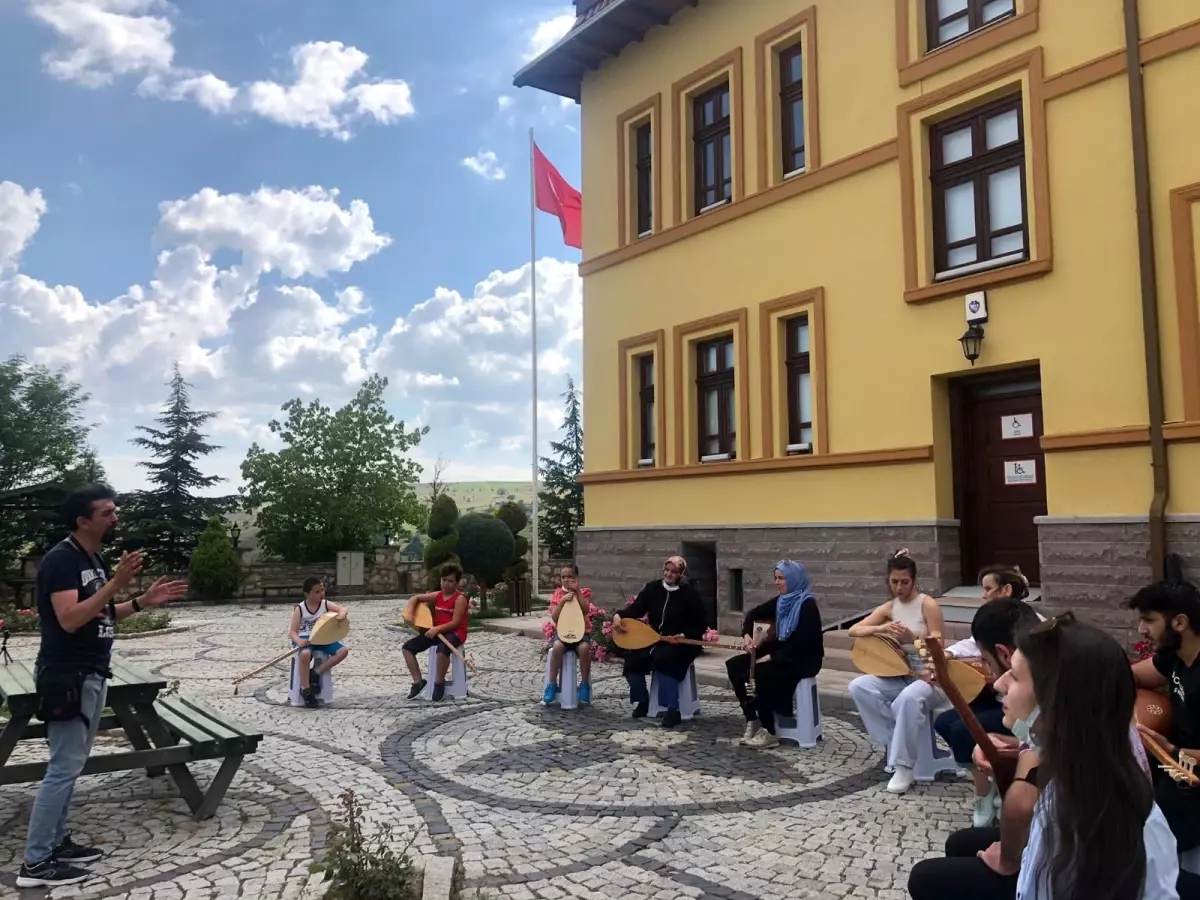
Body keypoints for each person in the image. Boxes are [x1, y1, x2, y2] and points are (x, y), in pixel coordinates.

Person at [911, 613, 1178, 900]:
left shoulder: (1100, 821)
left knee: (927, 878)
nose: (999, 684)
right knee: (960, 844)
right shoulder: (1084, 750)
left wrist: (1010, 860)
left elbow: (1023, 802)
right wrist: (1013, 746)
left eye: (1014, 676)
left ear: (1056, 702)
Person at [17, 484, 187, 889]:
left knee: (70, 765)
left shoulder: (90, 557)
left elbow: (101, 613)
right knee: (63, 768)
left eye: (114, 510)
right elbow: (70, 619)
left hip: (91, 673)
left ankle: (57, 842)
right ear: (83, 520)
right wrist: (115, 582)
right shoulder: (62, 560)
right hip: (68, 677)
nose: (115, 518)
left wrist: (142, 601)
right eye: (107, 513)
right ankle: (35, 864)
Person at [933, 570, 1036, 826]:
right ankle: (989, 784)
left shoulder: (1031, 631)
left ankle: (993, 787)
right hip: (1003, 705)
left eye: (988, 588)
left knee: (963, 731)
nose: (983, 595)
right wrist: (946, 657)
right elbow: (971, 645)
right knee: (945, 722)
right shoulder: (992, 621)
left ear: (1006, 590)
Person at [847, 550, 953, 793]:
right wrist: (881, 628)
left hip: (931, 675)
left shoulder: (927, 604)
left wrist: (913, 637)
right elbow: (854, 630)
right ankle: (894, 741)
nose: (899, 587)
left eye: (904, 582)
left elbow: (938, 643)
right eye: (894, 582)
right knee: (859, 686)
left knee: (907, 698)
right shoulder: (889, 607)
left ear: (914, 580)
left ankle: (902, 765)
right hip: (899, 673)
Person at [1131, 579, 1200, 894]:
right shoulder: (1174, 656)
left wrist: (1170, 749)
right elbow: (1130, 674)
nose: (1141, 630)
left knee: (1142, 840)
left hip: (1190, 774)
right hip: (1174, 763)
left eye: (1148, 620)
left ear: (1180, 622)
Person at [724, 560, 823, 749]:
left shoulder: (807, 606)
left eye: (782, 578)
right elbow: (752, 614)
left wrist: (768, 658)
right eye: (776, 578)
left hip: (802, 659)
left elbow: (800, 644)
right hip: (778, 654)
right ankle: (752, 717)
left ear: (793, 580)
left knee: (758, 674)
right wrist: (746, 636)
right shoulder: (781, 601)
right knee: (735, 665)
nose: (777, 582)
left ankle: (769, 730)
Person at [612, 555, 707, 728]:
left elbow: (700, 624)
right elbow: (635, 610)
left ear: (681, 574)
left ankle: (673, 709)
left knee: (664, 658)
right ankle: (643, 701)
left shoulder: (689, 594)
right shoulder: (652, 588)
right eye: (667, 570)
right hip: (654, 638)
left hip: (683, 642)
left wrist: (684, 635)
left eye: (674, 572)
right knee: (632, 657)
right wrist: (618, 616)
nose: (669, 574)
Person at [401, 564, 468, 702]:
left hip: (455, 633)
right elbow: (415, 598)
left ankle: (439, 682)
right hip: (436, 632)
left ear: (456, 583)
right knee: (407, 648)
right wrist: (410, 613)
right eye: (444, 580)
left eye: (450, 581)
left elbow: (455, 623)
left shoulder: (459, 599)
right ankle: (418, 682)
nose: (446, 584)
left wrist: (436, 629)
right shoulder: (438, 595)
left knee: (442, 650)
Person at [288, 577, 349, 708]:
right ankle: (305, 689)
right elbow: (292, 632)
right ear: (307, 594)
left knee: (343, 651)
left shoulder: (325, 604)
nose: (321, 593)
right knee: (305, 655)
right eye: (317, 592)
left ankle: (316, 672)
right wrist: (299, 641)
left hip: (323, 638)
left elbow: (342, 609)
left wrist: (341, 615)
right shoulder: (300, 608)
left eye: (322, 590)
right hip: (305, 639)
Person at [543, 564, 593, 705]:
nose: (566, 580)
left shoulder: (584, 592)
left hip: (581, 633)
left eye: (570, 577)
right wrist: (562, 601)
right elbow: (554, 617)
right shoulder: (558, 594)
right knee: (557, 647)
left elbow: (585, 610)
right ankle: (552, 684)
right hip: (563, 634)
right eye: (563, 577)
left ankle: (584, 684)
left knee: (584, 649)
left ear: (576, 578)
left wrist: (578, 592)